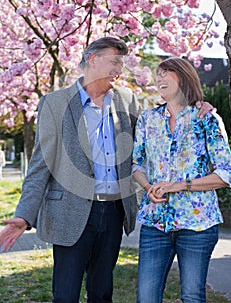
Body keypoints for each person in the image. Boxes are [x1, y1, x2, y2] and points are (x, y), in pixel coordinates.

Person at [0, 39, 212, 303]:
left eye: (122, 63)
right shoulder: (55, 103)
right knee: (65, 295)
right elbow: (40, 164)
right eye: (114, 62)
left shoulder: (127, 100)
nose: (119, 69)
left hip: (113, 212)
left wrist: (196, 107)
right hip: (70, 212)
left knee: (102, 293)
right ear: (93, 60)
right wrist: (24, 215)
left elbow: (156, 129)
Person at [132, 57, 231, 303]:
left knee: (192, 295)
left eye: (166, 72)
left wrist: (179, 186)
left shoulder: (207, 119)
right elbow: (137, 164)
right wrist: (148, 187)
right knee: (146, 296)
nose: (159, 78)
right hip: (155, 223)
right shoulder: (148, 119)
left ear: (184, 77)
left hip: (198, 224)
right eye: (158, 74)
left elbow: (225, 174)